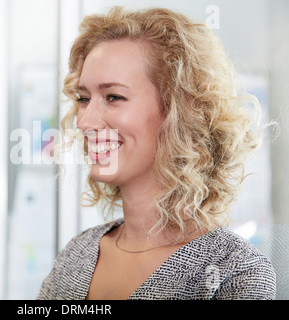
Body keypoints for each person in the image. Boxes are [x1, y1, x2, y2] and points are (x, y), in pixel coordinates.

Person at [37, 6, 276, 300]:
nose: (85, 121)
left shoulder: (233, 271)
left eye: (114, 97)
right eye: (84, 99)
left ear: (178, 112)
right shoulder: (77, 254)